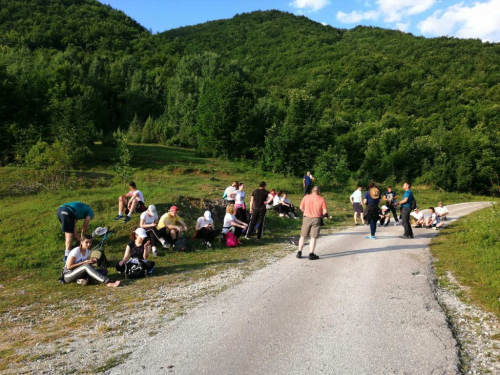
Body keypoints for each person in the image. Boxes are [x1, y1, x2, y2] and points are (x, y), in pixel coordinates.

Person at [297, 186, 328, 260]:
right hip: (316, 218)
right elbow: (325, 211)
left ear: (311, 191)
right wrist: (321, 215)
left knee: (303, 236)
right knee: (313, 237)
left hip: (306, 217)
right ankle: (311, 254)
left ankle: (299, 252)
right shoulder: (321, 199)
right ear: (319, 192)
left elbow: (301, 207)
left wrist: (306, 212)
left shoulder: (306, 197)